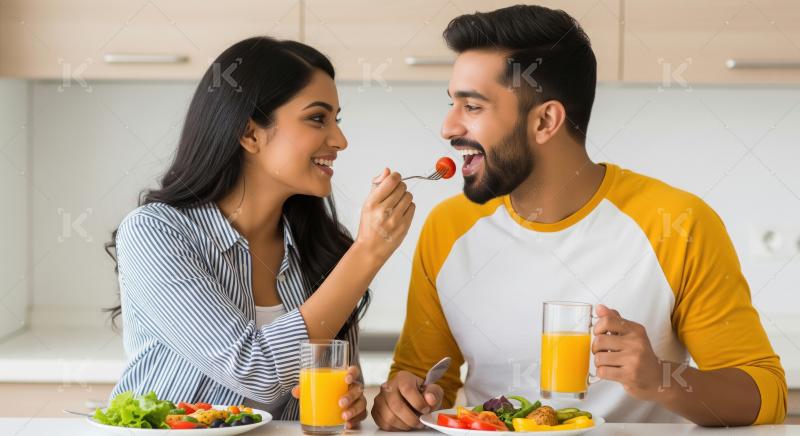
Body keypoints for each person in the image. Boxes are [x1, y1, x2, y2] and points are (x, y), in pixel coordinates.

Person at [372, 4, 786, 429]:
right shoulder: (448, 226)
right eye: (452, 104)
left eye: (472, 107)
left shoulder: (678, 223)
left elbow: (764, 392)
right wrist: (401, 399)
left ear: (546, 120)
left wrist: (662, 380)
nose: (447, 127)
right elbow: (421, 381)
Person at [105, 36, 416, 428]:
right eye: (318, 118)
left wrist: (347, 403)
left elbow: (318, 400)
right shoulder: (155, 233)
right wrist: (369, 252)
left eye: (337, 119)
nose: (339, 140)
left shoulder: (320, 249)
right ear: (250, 134)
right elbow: (257, 371)